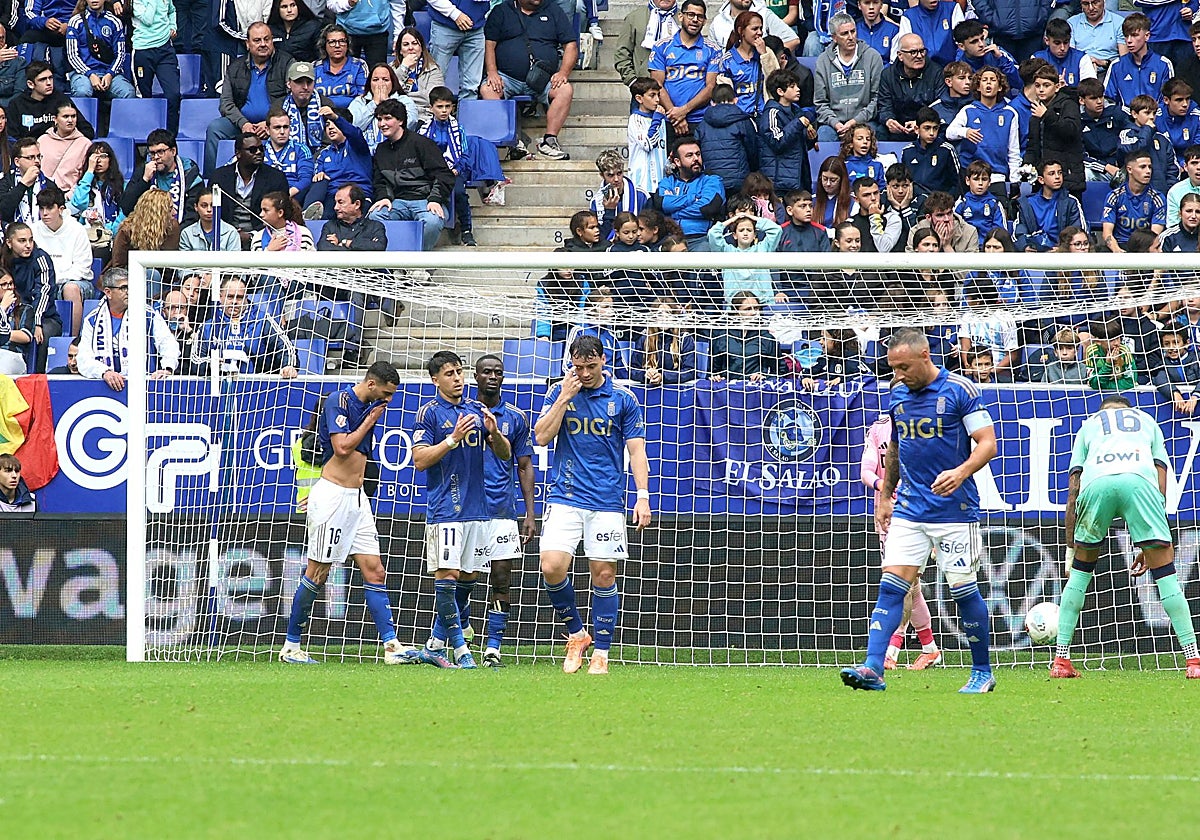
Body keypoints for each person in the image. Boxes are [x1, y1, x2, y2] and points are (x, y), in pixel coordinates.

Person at [841, 328, 997, 694]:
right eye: (893, 368)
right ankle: (873, 668)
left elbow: (987, 443)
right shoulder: (897, 394)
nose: (898, 375)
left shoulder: (959, 390)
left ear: (925, 356)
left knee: (963, 591)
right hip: (909, 509)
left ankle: (982, 671)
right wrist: (885, 496)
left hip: (954, 511)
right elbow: (897, 446)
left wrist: (961, 472)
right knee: (891, 587)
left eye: (904, 367)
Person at [279, 361, 413, 665]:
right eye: (386, 393)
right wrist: (370, 419)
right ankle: (291, 646)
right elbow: (342, 447)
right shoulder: (338, 401)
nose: (388, 400)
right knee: (318, 573)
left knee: (375, 570)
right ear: (371, 384)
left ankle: (392, 647)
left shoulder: (370, 405)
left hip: (357, 498)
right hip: (333, 497)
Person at [1057, 395, 1200, 680]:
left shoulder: (1089, 424)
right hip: (1140, 483)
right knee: (1166, 577)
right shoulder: (1147, 421)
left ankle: (1061, 660)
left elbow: (1074, 485)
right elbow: (1161, 475)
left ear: (1103, 412)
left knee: (1080, 576)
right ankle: (1193, 660)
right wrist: (1152, 533)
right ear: (1128, 410)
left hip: (1097, 484)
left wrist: (1071, 545)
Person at [534, 333, 650, 675]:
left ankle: (601, 652)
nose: (584, 373)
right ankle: (576, 634)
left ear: (603, 361)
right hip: (565, 495)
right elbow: (541, 436)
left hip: (606, 500)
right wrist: (564, 398)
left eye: (590, 366)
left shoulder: (623, 398)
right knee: (551, 566)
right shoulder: (559, 392)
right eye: (577, 367)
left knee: (603, 574)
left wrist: (642, 495)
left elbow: (636, 450)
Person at [409, 350, 513, 670]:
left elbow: (505, 454)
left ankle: (433, 645)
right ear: (435, 380)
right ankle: (461, 649)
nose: (457, 379)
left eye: (459, 372)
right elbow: (419, 460)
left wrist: (495, 433)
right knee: (448, 576)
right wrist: (452, 439)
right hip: (446, 509)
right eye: (450, 374)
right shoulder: (429, 413)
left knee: (468, 578)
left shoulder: (476, 410)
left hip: (478, 510)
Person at [860, 412, 942, 670]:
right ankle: (930, 649)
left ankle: (892, 650)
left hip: (918, 515)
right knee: (910, 585)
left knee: (902, 583)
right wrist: (885, 486)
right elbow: (865, 471)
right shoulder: (879, 429)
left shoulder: (924, 425)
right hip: (888, 517)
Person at [468, 354, 536, 666]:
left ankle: (493, 647)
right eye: (486, 372)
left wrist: (530, 514)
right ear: (476, 377)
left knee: (501, 578)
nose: (493, 377)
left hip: (502, 510)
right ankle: (462, 633)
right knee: (463, 577)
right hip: (466, 510)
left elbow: (524, 465)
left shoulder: (516, 418)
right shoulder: (462, 413)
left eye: (498, 372)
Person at [481, 0, 577, 160]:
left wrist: (563, 73)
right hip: (508, 78)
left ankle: (549, 141)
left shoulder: (554, 10)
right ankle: (512, 141)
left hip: (543, 78)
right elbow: (489, 44)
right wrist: (492, 72)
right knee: (488, 89)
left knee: (565, 90)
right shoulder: (502, 10)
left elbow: (571, 46)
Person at [418, 85, 508, 245]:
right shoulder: (423, 130)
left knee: (459, 192)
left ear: (452, 108)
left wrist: (457, 169)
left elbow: (465, 154)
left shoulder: (458, 129)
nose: (444, 110)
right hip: (431, 172)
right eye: (439, 106)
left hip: (455, 170)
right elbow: (420, 155)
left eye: (447, 106)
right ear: (431, 108)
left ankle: (466, 231)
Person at [205, 22, 293, 177]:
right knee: (215, 128)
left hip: (275, 123)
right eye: (257, 40)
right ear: (247, 44)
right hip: (242, 124)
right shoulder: (235, 67)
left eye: (267, 39)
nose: (263, 44)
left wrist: (269, 123)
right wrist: (243, 123)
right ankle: (211, 180)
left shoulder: (286, 63)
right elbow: (226, 103)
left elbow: (292, 99)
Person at [368, 99, 454, 250]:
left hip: (425, 200)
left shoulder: (422, 143)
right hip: (397, 202)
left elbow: (444, 175)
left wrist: (435, 199)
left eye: (388, 118)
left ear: (400, 121)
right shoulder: (381, 150)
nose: (382, 124)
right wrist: (384, 197)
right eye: (379, 119)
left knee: (432, 221)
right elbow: (380, 181)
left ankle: (418, 260)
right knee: (375, 216)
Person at [77, 267, 179, 390]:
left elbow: (168, 343)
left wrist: (167, 368)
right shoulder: (92, 320)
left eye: (131, 287)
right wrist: (104, 372)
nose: (129, 292)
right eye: (124, 288)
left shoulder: (148, 314)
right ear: (108, 292)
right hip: (105, 388)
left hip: (144, 387)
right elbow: (83, 358)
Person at [192, 275, 298, 377]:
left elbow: (286, 348)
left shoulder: (263, 320)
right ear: (220, 297)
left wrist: (289, 366)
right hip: (217, 385)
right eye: (230, 297)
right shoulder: (208, 327)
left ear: (246, 298)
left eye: (239, 297)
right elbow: (195, 361)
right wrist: (211, 364)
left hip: (257, 385)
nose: (234, 302)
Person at [648, 0, 720, 138]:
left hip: (700, 119)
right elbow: (657, 85)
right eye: (690, 15)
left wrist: (683, 111)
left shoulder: (713, 50)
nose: (695, 20)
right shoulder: (661, 47)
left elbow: (711, 87)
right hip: (669, 119)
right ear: (681, 16)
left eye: (700, 16)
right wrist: (675, 116)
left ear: (705, 21)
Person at [209, 132, 292, 248]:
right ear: (238, 153)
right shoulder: (219, 177)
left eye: (261, 149)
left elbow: (282, 214)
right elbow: (211, 211)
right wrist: (231, 234)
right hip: (224, 238)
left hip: (264, 237)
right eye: (252, 150)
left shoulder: (276, 178)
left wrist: (251, 235)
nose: (258, 152)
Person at [946, 66, 1021, 192]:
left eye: (993, 80)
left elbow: (1013, 150)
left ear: (1000, 87)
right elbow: (949, 133)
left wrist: (1015, 180)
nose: (988, 83)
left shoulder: (1010, 113)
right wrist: (965, 132)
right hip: (971, 174)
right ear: (978, 87)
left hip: (997, 175)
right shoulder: (968, 110)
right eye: (984, 80)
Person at [813, 12, 884, 143]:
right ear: (834, 38)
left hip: (865, 121)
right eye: (845, 34)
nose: (851, 37)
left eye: (853, 31)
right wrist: (835, 123)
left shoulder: (873, 57)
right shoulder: (823, 61)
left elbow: (877, 99)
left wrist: (855, 121)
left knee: (874, 134)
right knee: (824, 135)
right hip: (834, 124)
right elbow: (820, 103)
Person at [31, 185, 91, 335]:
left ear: (61, 209)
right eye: (41, 208)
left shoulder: (77, 230)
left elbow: (82, 268)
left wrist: (54, 278)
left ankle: (72, 339)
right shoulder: (32, 230)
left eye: (50, 208)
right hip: (43, 282)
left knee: (70, 289)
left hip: (75, 282)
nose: (44, 213)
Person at [650, 137, 726, 250]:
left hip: (701, 238)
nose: (696, 159)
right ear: (677, 162)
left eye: (698, 154)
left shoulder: (712, 180)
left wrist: (673, 212)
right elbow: (662, 204)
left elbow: (707, 208)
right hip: (671, 238)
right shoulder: (668, 182)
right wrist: (694, 198)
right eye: (689, 155)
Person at [122, 129, 205, 228]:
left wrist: (172, 234)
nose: (156, 157)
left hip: (180, 233)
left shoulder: (190, 174)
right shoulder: (144, 171)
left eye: (160, 152)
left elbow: (192, 217)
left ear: (173, 151)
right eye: (152, 153)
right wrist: (144, 180)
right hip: (148, 232)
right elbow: (127, 208)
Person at [107, 188, 181, 299]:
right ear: (157, 213)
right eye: (170, 209)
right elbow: (118, 268)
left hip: (165, 280)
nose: (174, 213)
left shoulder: (172, 227)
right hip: (130, 279)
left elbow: (169, 266)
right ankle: (151, 308)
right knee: (152, 274)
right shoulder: (127, 231)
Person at [1024, 63, 1084, 198]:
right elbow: (1032, 145)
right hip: (1042, 179)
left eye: (1046, 85)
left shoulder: (1069, 104)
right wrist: (1027, 165)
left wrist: (1047, 116)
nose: (1041, 90)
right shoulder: (1036, 111)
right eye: (1037, 86)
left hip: (1068, 177)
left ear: (1056, 87)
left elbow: (1071, 130)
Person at [692, 82, 756, 196]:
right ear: (735, 100)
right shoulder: (743, 121)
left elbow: (697, 151)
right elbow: (753, 151)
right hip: (740, 180)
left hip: (712, 180)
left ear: (712, 103)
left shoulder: (702, 124)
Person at [65, 0, 135, 101]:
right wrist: (90, 74)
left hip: (109, 73)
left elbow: (120, 54)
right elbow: (72, 55)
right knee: (82, 91)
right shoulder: (75, 21)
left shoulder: (115, 22)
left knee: (128, 92)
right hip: (82, 73)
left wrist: (110, 74)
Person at [708, 206, 783, 302]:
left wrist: (751, 217)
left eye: (749, 230)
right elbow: (713, 233)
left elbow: (776, 230)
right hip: (734, 306)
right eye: (741, 230)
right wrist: (733, 219)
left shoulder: (763, 248)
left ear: (754, 235)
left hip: (764, 303)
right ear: (734, 235)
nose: (745, 233)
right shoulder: (726, 251)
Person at [759, 68, 815, 194]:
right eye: (792, 86)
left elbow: (798, 145)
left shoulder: (797, 112)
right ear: (780, 91)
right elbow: (777, 142)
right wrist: (797, 124)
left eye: (797, 85)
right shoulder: (771, 113)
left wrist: (810, 138)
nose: (798, 89)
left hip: (799, 179)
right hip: (779, 184)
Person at [878, 34, 943, 142]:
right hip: (899, 125)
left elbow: (941, 105)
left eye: (922, 51)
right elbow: (884, 105)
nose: (919, 56)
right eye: (913, 52)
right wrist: (889, 120)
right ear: (900, 55)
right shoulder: (888, 75)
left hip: (926, 124)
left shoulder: (936, 72)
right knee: (880, 131)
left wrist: (920, 123)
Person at [1104, 13, 1174, 112]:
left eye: (1134, 35)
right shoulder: (1117, 65)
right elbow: (1108, 99)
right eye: (1126, 36)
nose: (1129, 41)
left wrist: (1152, 115)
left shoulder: (1164, 64)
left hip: (1155, 118)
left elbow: (1169, 100)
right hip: (1125, 118)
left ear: (1147, 36)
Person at [6, 61, 95, 139]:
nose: (49, 83)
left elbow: (87, 131)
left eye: (50, 78)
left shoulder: (61, 99)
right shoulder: (16, 104)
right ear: (31, 84)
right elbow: (12, 138)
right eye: (42, 80)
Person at [717, 9, 780, 118]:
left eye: (761, 28)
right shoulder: (728, 60)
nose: (759, 32)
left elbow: (777, 82)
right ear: (741, 31)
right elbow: (724, 95)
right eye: (755, 29)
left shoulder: (767, 52)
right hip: (739, 117)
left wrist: (764, 55)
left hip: (765, 115)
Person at [131, 0, 181, 133]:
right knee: (144, 96)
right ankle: (146, 135)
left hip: (165, 50)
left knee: (173, 94)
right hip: (143, 50)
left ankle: (171, 135)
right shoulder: (135, 1)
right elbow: (148, 19)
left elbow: (172, 10)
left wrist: (173, 26)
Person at [1101, 151, 1167, 253]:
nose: (1148, 171)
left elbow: (1154, 236)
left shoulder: (1157, 198)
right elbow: (1107, 233)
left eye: (1150, 167)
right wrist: (1117, 250)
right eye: (1143, 167)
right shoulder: (1114, 196)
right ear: (1129, 169)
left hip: (1144, 247)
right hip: (1119, 245)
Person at [425, 0, 488, 103]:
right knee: (435, 81)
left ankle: (466, 112)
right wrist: (454, 14)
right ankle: (431, 113)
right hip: (445, 25)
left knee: (471, 87)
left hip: (476, 28)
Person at [710, 290, 778, 380]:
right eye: (748, 309)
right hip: (728, 387)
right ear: (736, 312)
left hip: (758, 387)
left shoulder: (767, 338)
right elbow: (713, 372)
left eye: (756, 308)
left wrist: (765, 377)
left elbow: (780, 372)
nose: (754, 313)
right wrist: (716, 378)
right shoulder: (722, 337)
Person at [614, 0, 679, 88]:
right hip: (644, 86)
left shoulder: (685, 19)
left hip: (677, 86)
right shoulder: (634, 17)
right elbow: (622, 53)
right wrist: (632, 81)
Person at [390, 27, 445, 129]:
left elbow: (433, 99)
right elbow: (389, 95)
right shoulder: (390, 69)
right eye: (406, 44)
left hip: (424, 117)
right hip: (396, 116)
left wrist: (402, 96)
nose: (410, 48)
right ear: (400, 50)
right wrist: (403, 68)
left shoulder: (433, 70)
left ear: (421, 48)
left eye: (414, 43)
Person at [952, 18, 1021, 92]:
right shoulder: (959, 64)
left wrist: (1001, 59)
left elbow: (1019, 84)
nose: (981, 44)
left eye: (982, 38)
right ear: (962, 46)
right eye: (974, 42)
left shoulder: (998, 53)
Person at [263, 105, 314, 202]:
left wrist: (285, 196)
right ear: (267, 130)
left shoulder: (302, 149)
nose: (282, 132)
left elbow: (306, 179)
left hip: (293, 197)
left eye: (285, 127)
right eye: (277, 127)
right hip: (265, 197)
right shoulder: (258, 150)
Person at [312, 23, 367, 109]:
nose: (337, 46)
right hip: (321, 114)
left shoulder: (359, 66)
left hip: (352, 114)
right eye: (332, 42)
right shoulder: (314, 67)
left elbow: (364, 98)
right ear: (324, 45)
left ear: (347, 44)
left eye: (342, 41)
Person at [280, 58, 329, 153]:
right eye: (299, 82)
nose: (305, 87)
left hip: (321, 156)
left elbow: (329, 142)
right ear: (288, 84)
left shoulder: (325, 104)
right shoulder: (280, 106)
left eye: (309, 82)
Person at [894, 0, 964, 67]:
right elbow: (905, 49)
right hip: (923, 68)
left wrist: (957, 65)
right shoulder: (909, 16)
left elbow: (962, 42)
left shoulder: (952, 8)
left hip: (951, 66)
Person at [37, 101, 87, 191]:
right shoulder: (42, 140)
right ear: (55, 119)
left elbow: (86, 175)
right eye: (65, 116)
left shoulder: (85, 144)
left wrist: (70, 195)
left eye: (73, 116)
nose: (70, 120)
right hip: (42, 193)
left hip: (70, 194)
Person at [1068, 0, 1126, 79]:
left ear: (1103, 1)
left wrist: (1103, 63)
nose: (1091, 8)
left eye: (1095, 2)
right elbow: (1070, 58)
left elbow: (1124, 61)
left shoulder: (1119, 23)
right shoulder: (1072, 23)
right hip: (1080, 71)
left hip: (1110, 70)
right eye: (1086, 4)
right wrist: (1086, 64)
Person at [1034, 17, 1097, 87]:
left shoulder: (1082, 58)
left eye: (1066, 42)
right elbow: (1031, 89)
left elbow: (1091, 90)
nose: (1062, 48)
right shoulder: (1037, 59)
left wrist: (1066, 89)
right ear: (1047, 40)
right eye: (1057, 43)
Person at [0, 137, 49, 225]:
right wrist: (23, 184)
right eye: (30, 157)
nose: (37, 161)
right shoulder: (5, 182)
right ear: (17, 162)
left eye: (38, 156)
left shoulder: (48, 184)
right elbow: (3, 212)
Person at [327, 0, 390, 67]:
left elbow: (396, 4)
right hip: (347, 32)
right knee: (344, 70)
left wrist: (396, 35)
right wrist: (348, 4)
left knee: (379, 71)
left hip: (378, 33)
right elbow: (331, 4)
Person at [178, 188, 242, 253]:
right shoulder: (187, 234)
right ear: (196, 207)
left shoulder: (231, 233)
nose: (209, 210)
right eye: (204, 206)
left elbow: (234, 259)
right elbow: (184, 259)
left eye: (213, 205)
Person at [252, 190, 315, 255]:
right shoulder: (258, 237)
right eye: (261, 210)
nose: (261, 214)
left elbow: (313, 260)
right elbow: (253, 261)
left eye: (266, 210)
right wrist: (268, 250)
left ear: (280, 213)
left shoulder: (303, 233)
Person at [0, 269, 32, 374]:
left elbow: (26, 336)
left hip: (12, 355)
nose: (9, 287)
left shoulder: (25, 309)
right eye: (4, 284)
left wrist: (4, 334)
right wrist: (2, 308)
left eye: (11, 283)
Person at [0, 25, 28, 109]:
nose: (0, 41)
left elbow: (19, 95)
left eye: (1, 38)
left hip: (9, 109)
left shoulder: (19, 63)